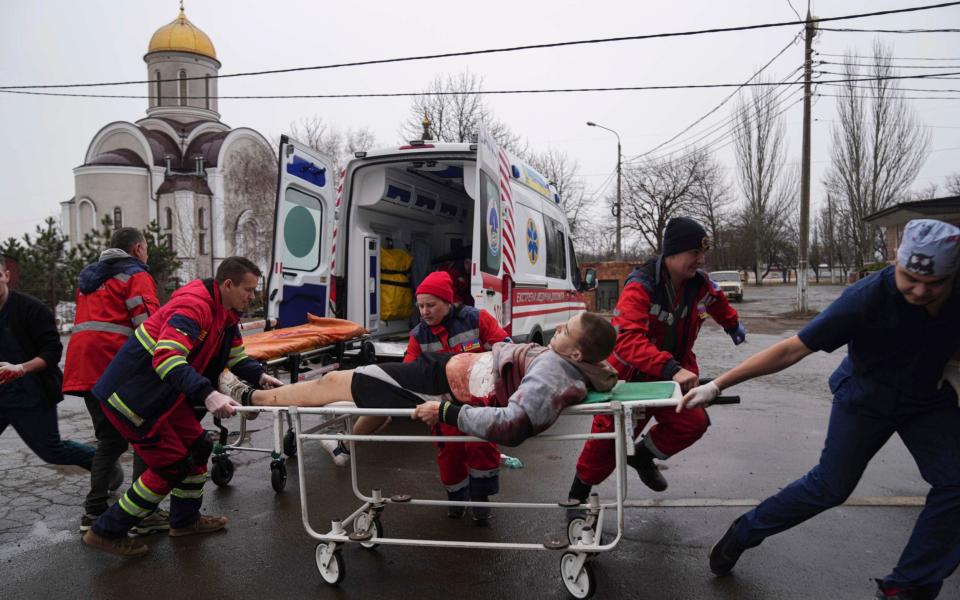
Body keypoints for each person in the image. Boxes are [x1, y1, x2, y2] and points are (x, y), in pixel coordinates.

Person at [679, 219, 960, 600]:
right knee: (831, 487)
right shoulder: (867, 298)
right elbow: (792, 349)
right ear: (896, 261)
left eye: (935, 283)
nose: (921, 291)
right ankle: (744, 531)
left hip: (928, 398)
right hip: (866, 398)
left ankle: (908, 588)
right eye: (910, 277)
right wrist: (716, 385)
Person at [81, 256, 284, 557]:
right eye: (249, 289)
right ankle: (106, 531)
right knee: (170, 465)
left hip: (165, 396)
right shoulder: (193, 306)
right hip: (133, 397)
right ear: (227, 284)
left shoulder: (227, 313)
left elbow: (236, 358)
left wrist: (261, 376)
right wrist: (208, 394)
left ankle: (185, 521)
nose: (252, 296)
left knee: (199, 446)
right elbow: (166, 358)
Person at [219, 311, 618, 449]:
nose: (558, 332)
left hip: (435, 385)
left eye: (564, 331)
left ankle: (251, 398)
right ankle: (344, 446)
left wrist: (447, 412)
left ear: (576, 354)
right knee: (367, 394)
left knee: (335, 381)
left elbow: (513, 425)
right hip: (441, 372)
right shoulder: (580, 365)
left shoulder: (552, 373)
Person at [567, 217, 744, 504]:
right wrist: (672, 369)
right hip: (633, 378)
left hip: (673, 375)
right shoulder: (641, 286)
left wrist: (733, 325)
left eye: (702, 254)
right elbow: (627, 342)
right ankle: (576, 498)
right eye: (694, 253)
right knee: (604, 445)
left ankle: (643, 457)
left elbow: (717, 301)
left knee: (692, 423)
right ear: (672, 253)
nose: (700, 260)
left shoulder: (699, 285)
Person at [63, 227, 167, 535]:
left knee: (110, 440)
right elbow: (149, 327)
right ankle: (144, 511)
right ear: (137, 249)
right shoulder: (136, 275)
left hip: (84, 367)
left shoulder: (88, 279)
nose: (147, 254)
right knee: (142, 435)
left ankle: (94, 511)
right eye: (146, 248)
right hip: (114, 367)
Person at [0, 255, 96, 474]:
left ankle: (102, 464)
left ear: (6, 276)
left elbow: (52, 351)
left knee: (52, 451)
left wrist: (21, 368)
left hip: (31, 396)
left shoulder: (31, 309)